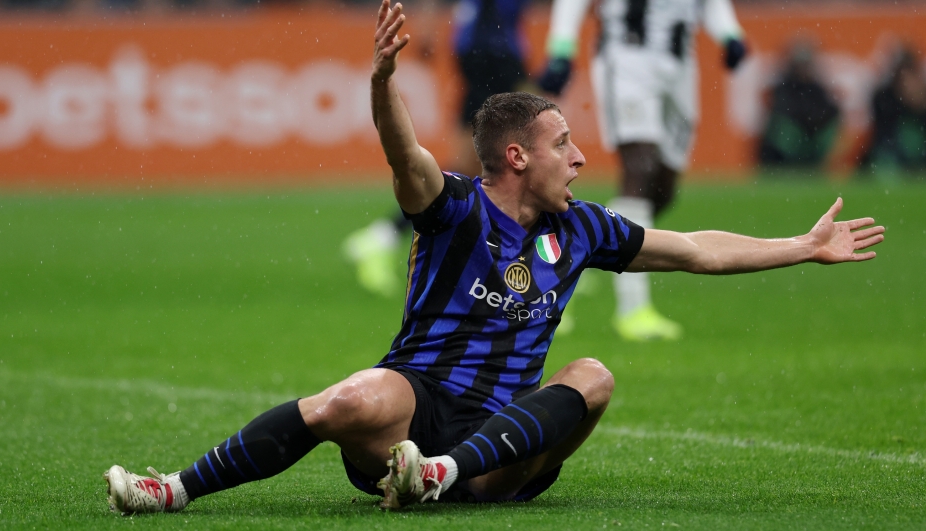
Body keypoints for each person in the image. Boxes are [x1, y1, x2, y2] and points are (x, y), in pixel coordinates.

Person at [103, 0, 884, 513]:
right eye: (563, 144)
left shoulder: (582, 227)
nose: (580, 158)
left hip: (499, 450)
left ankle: (438, 475)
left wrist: (805, 247)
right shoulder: (454, 209)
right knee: (351, 396)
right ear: (516, 156)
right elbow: (402, 151)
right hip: (415, 410)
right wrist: (384, 85)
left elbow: (696, 251)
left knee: (594, 375)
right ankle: (170, 489)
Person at [537, 0, 749, 341]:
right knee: (639, 167)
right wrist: (562, 46)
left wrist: (729, 33)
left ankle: (576, 253)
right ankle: (633, 309)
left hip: (680, 62)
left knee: (663, 187)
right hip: (627, 56)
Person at [343, 0, 532, 298]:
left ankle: (384, 236)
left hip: (482, 47)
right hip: (494, 48)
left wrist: (429, 27)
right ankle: (539, 260)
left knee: (475, 166)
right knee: (518, 158)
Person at [758, 41, 841, 171]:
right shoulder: (782, 89)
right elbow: (783, 114)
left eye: (805, 65)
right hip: (784, 150)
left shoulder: (817, 90)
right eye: (799, 65)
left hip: (812, 143)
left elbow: (830, 113)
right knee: (783, 130)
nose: (803, 69)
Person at [858, 45, 926, 179]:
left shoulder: (921, 96)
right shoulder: (884, 98)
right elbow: (883, 134)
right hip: (891, 153)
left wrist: (919, 104)